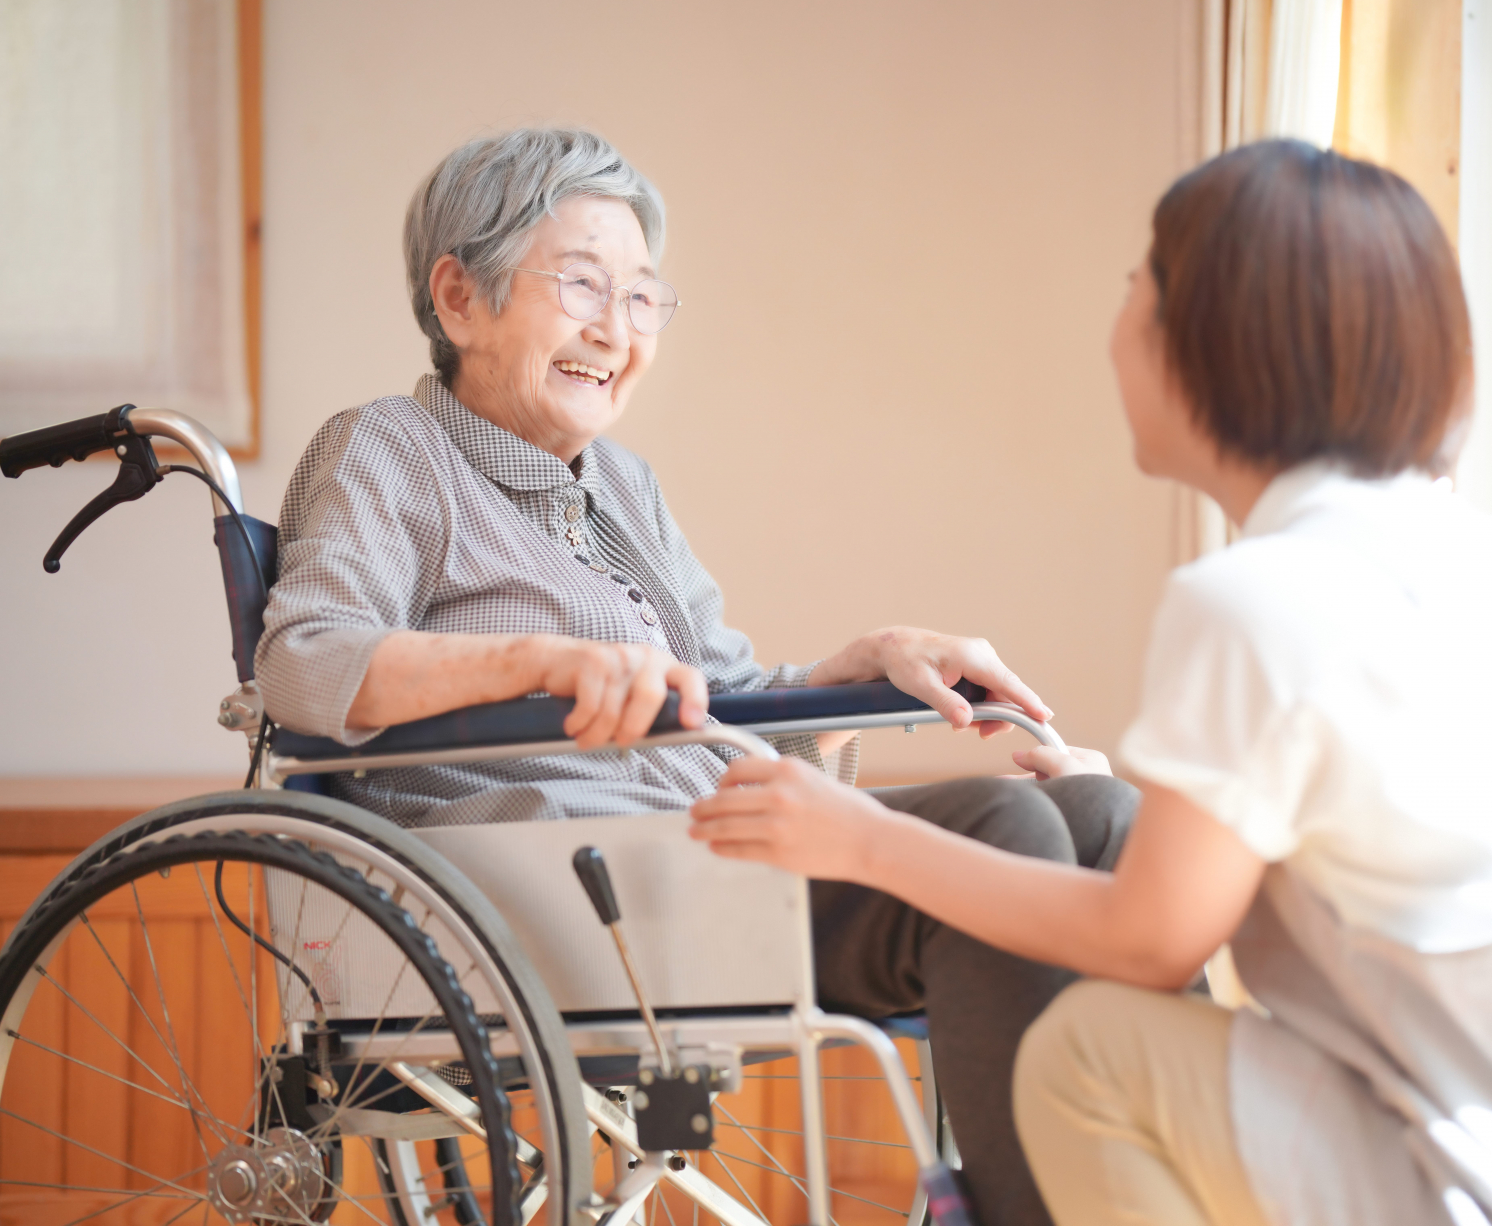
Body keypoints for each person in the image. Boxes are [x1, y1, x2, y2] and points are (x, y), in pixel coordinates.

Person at [689, 140, 1492, 1225]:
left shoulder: (1259, 596)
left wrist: (860, 838)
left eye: (1136, 288)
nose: (1117, 329)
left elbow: (1150, 942)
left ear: (1208, 341)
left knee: (1087, 1051)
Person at [255, 126, 1139, 1226]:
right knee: (1004, 826)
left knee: (1100, 815)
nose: (614, 329)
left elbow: (724, 703)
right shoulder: (388, 450)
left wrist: (856, 666)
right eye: (582, 284)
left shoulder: (623, 487)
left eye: (640, 297)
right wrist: (540, 660)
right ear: (459, 298)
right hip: (559, 892)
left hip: (704, 857)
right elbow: (304, 663)